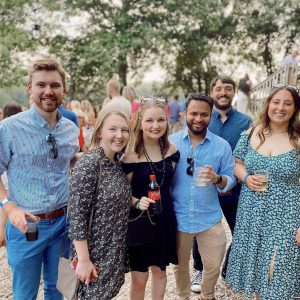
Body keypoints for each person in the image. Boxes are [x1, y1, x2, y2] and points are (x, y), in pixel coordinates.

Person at [0, 58, 79, 300]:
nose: (48, 91)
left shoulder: (70, 129)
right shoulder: (9, 128)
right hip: (27, 226)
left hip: (64, 224)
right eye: (41, 85)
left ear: (63, 89)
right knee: (25, 294)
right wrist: (9, 207)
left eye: (55, 85)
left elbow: (70, 162)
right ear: (30, 88)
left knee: (61, 292)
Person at [226, 85, 300, 300]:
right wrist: (246, 178)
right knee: (256, 272)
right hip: (252, 213)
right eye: (276, 102)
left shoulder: (297, 139)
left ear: (295, 108)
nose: (280, 108)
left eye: (288, 103)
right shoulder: (251, 132)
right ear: (268, 104)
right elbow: (237, 163)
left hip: (286, 216)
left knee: (277, 271)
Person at [170, 93, 235, 300]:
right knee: (179, 266)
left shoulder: (221, 146)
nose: (198, 119)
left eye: (204, 114)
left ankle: (207, 295)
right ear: (184, 114)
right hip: (179, 218)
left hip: (209, 218)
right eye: (194, 113)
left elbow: (230, 180)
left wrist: (217, 179)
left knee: (214, 264)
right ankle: (183, 296)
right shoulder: (170, 143)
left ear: (210, 115)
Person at [191, 76, 252, 293]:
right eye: (219, 89)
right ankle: (199, 268)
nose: (223, 92)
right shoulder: (203, 118)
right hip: (206, 187)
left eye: (228, 89)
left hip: (235, 189)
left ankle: (229, 267)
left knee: (241, 231)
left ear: (234, 92)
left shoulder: (246, 122)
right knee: (201, 229)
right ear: (212, 92)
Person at [68, 107, 132, 300]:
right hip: (92, 253)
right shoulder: (90, 164)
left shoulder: (116, 162)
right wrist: (84, 260)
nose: (119, 135)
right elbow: (77, 215)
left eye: (125, 130)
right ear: (99, 132)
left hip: (112, 250)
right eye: (112, 129)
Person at [122, 97, 179, 300]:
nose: (156, 126)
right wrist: (136, 201)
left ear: (167, 120)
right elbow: (121, 193)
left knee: (160, 272)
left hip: (164, 219)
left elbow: (170, 187)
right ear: (140, 122)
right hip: (141, 222)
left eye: (161, 120)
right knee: (139, 278)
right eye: (149, 121)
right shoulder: (129, 156)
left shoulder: (172, 151)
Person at [0, 102, 23, 247]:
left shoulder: (4, 127)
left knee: (5, 205)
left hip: (5, 179)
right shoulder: (17, 129)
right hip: (11, 180)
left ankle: (3, 233)